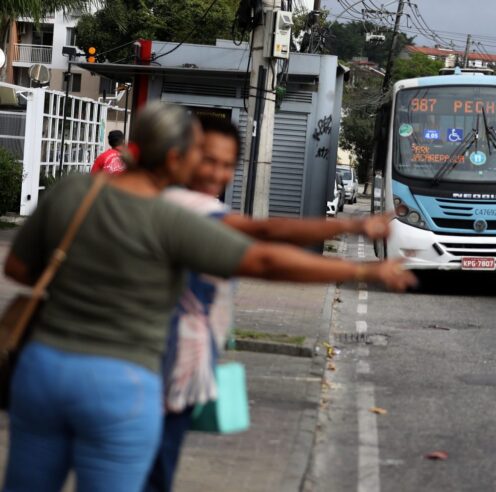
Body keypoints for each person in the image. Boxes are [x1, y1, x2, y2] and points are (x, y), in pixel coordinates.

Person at [2, 102, 415, 492]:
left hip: (42, 370)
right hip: (120, 383)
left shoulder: (75, 191)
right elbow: (266, 258)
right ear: (175, 159)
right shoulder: (174, 219)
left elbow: (16, 269)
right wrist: (365, 268)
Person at [144, 116, 393, 491]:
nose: (216, 172)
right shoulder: (181, 206)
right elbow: (264, 244)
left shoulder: (182, 204)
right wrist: (358, 253)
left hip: (176, 369)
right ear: (181, 155)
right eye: (207, 159)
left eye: (227, 165)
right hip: (160, 370)